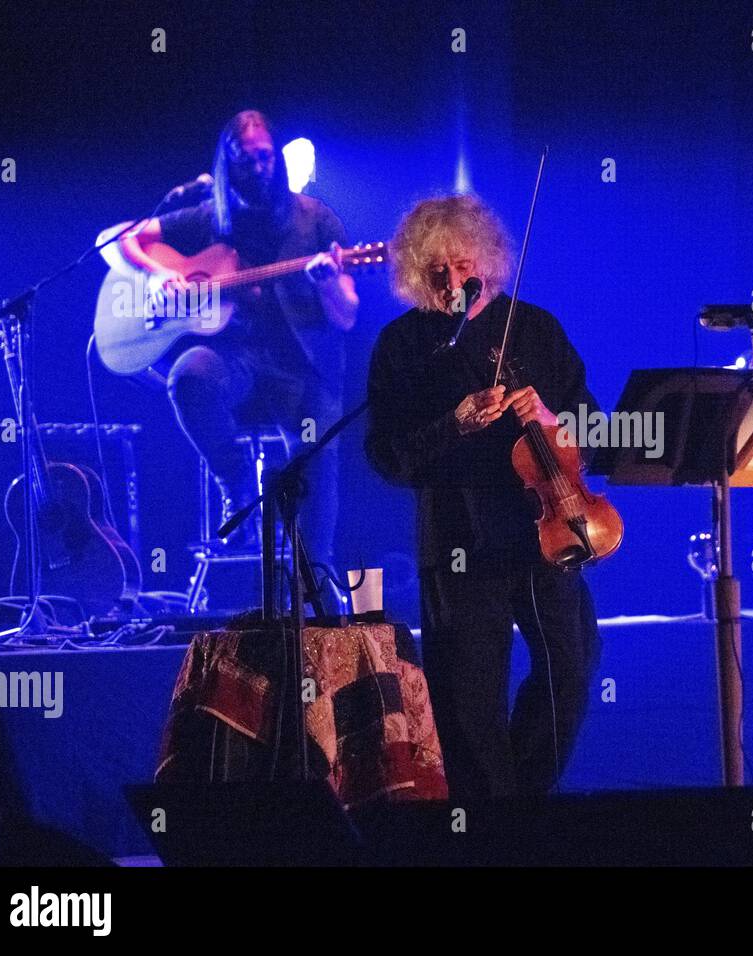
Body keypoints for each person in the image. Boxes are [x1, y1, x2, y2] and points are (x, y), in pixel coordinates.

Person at [364, 193, 601, 800]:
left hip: (547, 528)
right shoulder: (405, 345)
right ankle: (492, 829)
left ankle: (516, 806)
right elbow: (386, 456)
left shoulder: (537, 328)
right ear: (417, 274)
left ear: (488, 261)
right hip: (459, 541)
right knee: (469, 699)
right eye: (436, 270)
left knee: (570, 675)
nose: (452, 281)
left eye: (463, 265)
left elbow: (597, 432)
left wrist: (552, 418)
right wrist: (454, 425)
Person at [120, 110, 357, 570]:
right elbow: (122, 239)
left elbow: (347, 316)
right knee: (188, 376)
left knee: (317, 449)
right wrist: (162, 275)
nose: (257, 168)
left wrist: (328, 283)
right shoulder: (211, 216)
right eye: (244, 160)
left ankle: (314, 577)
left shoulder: (315, 220)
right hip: (236, 366)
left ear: (278, 159)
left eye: (265, 157)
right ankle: (236, 485)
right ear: (228, 162)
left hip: (301, 371)